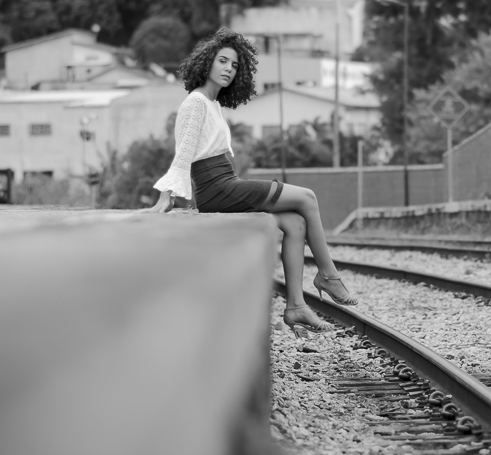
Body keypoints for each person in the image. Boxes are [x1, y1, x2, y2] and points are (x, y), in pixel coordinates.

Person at [149, 28, 358, 334]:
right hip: (215, 187)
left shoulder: (212, 103)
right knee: (307, 197)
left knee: (295, 224)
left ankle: (297, 306)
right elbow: (184, 152)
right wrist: (167, 195)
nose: (228, 69)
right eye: (222, 61)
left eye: (234, 66)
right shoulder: (196, 102)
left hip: (224, 181)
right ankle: (328, 275)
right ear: (207, 62)